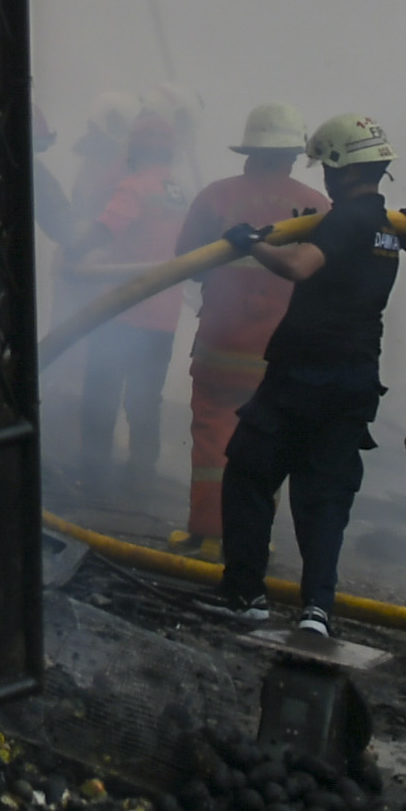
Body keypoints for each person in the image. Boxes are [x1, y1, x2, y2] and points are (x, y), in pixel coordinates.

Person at [219, 113, 406, 639]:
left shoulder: (345, 218)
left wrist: (250, 244)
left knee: (249, 471)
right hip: (354, 380)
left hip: (304, 374)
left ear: (338, 167)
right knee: (324, 495)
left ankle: (245, 596)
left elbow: (299, 266)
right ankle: (317, 611)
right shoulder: (385, 230)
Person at [170, 102, 327, 548]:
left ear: (249, 150)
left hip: (221, 346)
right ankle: (249, 538)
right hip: (280, 354)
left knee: (213, 439)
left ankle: (207, 533)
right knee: (265, 444)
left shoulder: (217, 196)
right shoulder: (316, 206)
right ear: (293, 154)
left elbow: (185, 262)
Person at [60, 95, 187, 515]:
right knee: (146, 401)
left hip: (124, 311)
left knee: (101, 393)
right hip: (165, 316)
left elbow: (107, 227)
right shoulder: (181, 191)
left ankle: (93, 480)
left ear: (134, 150)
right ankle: (141, 484)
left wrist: (74, 252)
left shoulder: (134, 186)